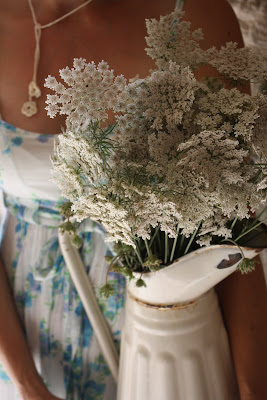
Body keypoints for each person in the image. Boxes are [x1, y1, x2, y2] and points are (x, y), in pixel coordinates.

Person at [0, 0, 266, 399]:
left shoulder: (189, 12)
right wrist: (26, 381)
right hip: (27, 333)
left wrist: (253, 389)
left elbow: (236, 234)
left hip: (172, 335)